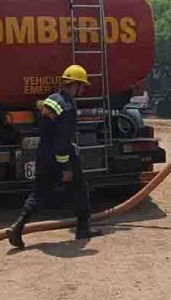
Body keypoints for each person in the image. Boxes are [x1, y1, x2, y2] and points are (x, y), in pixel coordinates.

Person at [7, 64, 101, 248]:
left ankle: (17, 227)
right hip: (61, 155)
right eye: (81, 86)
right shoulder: (68, 107)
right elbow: (62, 141)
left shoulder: (51, 99)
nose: (82, 90)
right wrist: (65, 167)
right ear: (74, 85)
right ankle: (83, 229)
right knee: (80, 188)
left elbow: (47, 127)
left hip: (43, 152)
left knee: (38, 192)